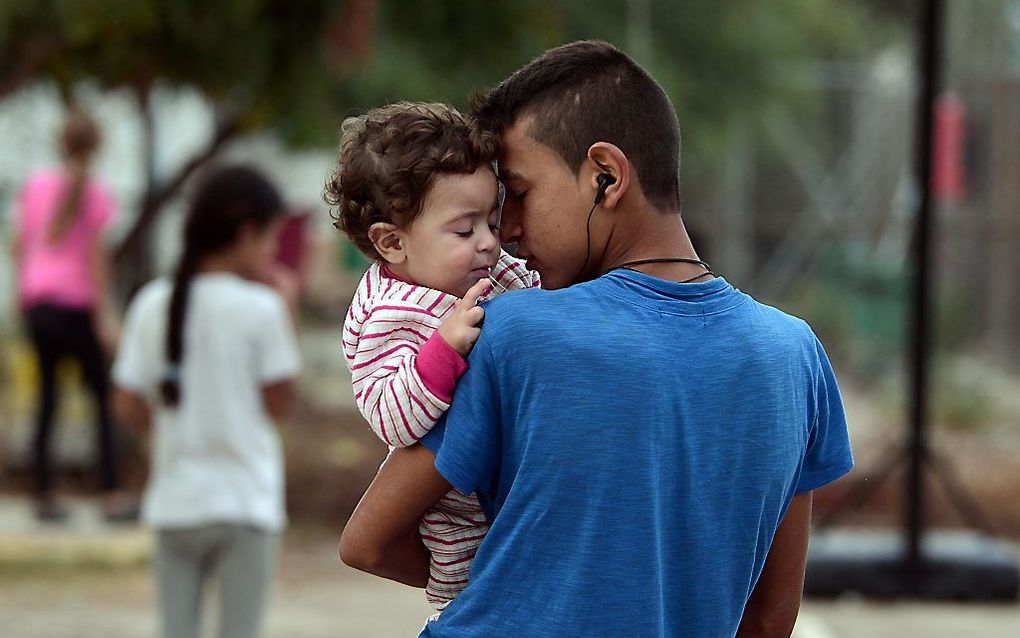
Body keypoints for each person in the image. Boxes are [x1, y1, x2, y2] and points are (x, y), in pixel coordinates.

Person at [339, 40, 854, 637]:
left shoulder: (509, 331)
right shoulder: (794, 356)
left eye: (520, 194)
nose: (505, 232)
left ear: (605, 177)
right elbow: (769, 619)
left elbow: (368, 543)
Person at [325, 102, 539, 611]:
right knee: (485, 588)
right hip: (456, 515)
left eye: (492, 218)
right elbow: (391, 419)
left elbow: (531, 289)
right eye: (465, 230)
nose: (490, 243)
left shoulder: (472, 266)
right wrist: (442, 351)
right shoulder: (390, 316)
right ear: (391, 242)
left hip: (506, 474)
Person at [111, 165, 300, 638]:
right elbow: (279, 404)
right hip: (245, 504)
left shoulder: (152, 302)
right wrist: (289, 308)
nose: (274, 251)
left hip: (176, 502)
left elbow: (127, 404)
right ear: (246, 232)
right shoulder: (262, 307)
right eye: (271, 238)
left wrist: (171, 423)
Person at [11, 106, 130, 522]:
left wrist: (19, 297)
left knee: (48, 399)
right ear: (96, 146)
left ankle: (42, 494)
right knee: (101, 399)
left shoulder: (35, 186)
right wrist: (106, 318)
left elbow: (18, 243)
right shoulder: (97, 194)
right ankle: (112, 492)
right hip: (76, 305)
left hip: (37, 302)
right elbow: (98, 261)